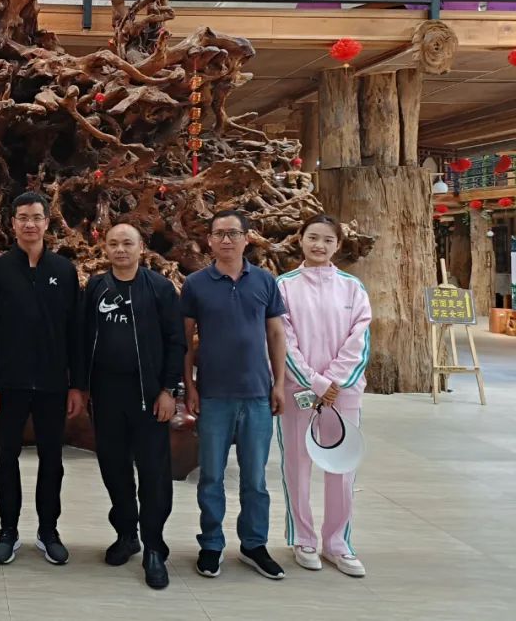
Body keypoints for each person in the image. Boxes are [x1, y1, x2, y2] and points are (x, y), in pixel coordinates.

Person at [0, 191, 84, 567]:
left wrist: (77, 385)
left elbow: (76, 333)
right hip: (9, 384)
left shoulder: (64, 270)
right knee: (6, 457)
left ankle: (48, 531)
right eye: (23, 217)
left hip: (54, 385)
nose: (30, 224)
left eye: (36, 217)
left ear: (46, 222)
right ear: (12, 224)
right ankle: (7, 530)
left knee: (52, 459)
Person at [76, 222, 185, 590]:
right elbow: (82, 339)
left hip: (150, 397)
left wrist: (169, 390)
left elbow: (176, 341)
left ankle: (154, 546)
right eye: (113, 243)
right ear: (104, 249)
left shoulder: (159, 288)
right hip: (107, 395)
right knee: (114, 468)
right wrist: (83, 387)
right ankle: (127, 534)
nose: (120, 249)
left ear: (141, 248)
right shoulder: (96, 287)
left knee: (154, 473)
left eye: (127, 243)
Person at [182, 210, 288, 580]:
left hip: (257, 394)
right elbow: (185, 341)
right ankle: (211, 544)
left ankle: (254, 544)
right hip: (213, 395)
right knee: (211, 476)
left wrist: (279, 383)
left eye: (233, 233)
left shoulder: (265, 281)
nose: (226, 240)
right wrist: (190, 386)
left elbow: (276, 334)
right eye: (219, 234)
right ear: (209, 240)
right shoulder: (195, 284)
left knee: (254, 478)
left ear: (247, 238)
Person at [276, 214, 371, 578]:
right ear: (300, 239)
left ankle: (337, 543)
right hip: (299, 390)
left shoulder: (352, 288)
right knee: (297, 465)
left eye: (328, 240)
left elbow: (360, 338)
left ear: (338, 245)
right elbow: (282, 339)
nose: (319, 245)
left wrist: (334, 382)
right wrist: (315, 382)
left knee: (342, 467)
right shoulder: (284, 286)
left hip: (343, 393)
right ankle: (302, 538)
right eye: (313, 237)